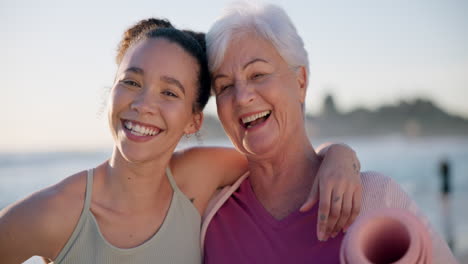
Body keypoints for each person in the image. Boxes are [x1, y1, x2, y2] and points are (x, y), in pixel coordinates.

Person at [0, 19, 362, 264]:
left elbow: (286, 163)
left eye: (169, 92)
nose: (142, 105)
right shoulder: (55, 213)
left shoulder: (197, 178)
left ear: (193, 121)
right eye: (131, 81)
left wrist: (339, 156)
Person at [201, 2, 457, 263]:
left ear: (300, 82)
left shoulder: (376, 198)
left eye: (258, 74)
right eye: (224, 86)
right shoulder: (207, 215)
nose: (242, 97)